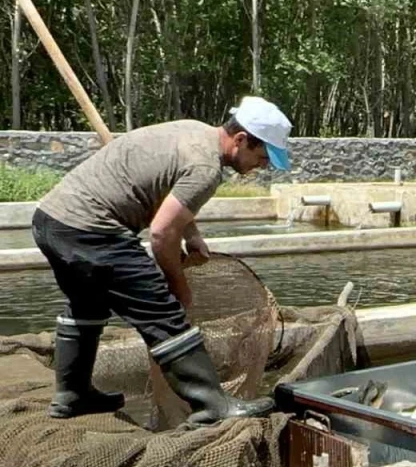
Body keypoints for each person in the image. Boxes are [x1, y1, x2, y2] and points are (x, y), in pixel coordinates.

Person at [31, 96, 293, 426]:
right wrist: (177, 287)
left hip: (51, 221)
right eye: (263, 156)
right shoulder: (206, 169)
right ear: (241, 139)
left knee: (87, 304)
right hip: (91, 230)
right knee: (163, 313)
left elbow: (168, 189)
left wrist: (191, 234)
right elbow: (161, 234)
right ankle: (212, 405)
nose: (263, 166)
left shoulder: (194, 131)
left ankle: (73, 395)